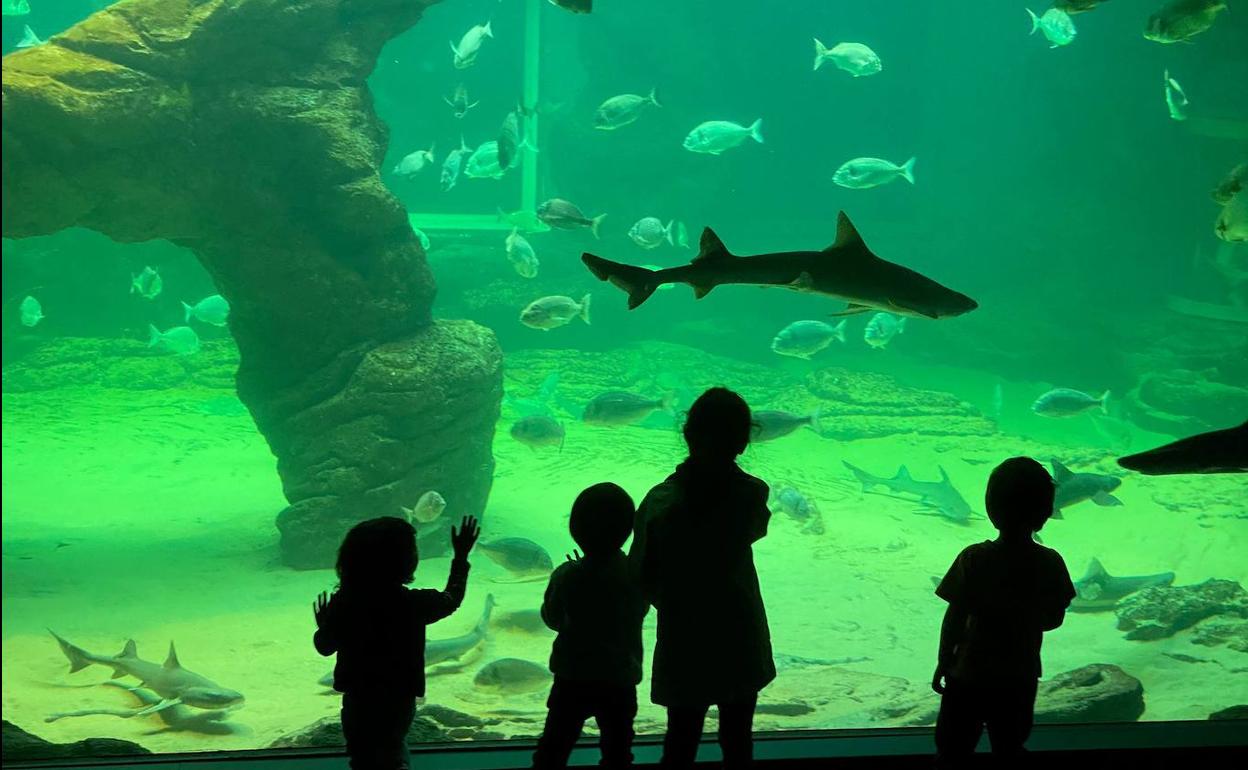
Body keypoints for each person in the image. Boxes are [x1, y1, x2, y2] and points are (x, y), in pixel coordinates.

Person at [629, 387, 775, 767]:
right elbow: (754, 529)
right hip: (738, 631)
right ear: (744, 441)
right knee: (738, 738)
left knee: (680, 738)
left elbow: (640, 574)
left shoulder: (661, 502)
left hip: (684, 633)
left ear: (687, 433)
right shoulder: (753, 495)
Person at [931, 457, 1076, 767]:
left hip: (967, 672)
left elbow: (954, 616)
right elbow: (1055, 618)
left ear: (990, 508)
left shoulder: (973, 558)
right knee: (1010, 744)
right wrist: (1022, 620)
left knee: (952, 748)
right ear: (1046, 513)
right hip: (1018, 675)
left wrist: (944, 659)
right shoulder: (1050, 562)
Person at [313, 514, 480, 770]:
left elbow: (324, 647)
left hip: (359, 700)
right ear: (406, 562)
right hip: (397, 698)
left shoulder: (346, 603)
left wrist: (324, 624)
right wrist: (460, 557)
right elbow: (452, 598)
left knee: (361, 757)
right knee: (393, 749)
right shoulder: (411, 604)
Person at [532, 482, 647, 768]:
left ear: (575, 528)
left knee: (554, 747)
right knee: (618, 750)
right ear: (627, 529)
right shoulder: (635, 573)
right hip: (620, 676)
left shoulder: (567, 575)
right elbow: (640, 609)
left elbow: (553, 619)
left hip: (573, 676)